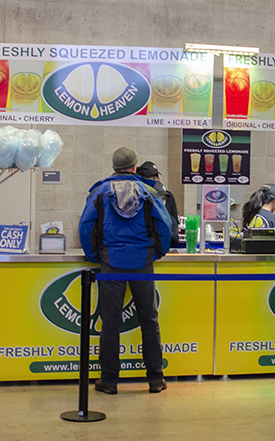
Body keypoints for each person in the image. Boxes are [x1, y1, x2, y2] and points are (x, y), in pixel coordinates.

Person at [79, 147, 172, 394]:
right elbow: (165, 225)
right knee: (149, 321)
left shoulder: (99, 192)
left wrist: (96, 256)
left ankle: (109, 381)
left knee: (110, 323)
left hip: (111, 264)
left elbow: (85, 227)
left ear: (114, 167)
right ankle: (155, 379)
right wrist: (156, 253)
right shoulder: (148, 191)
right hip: (143, 262)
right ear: (134, 166)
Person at [137, 161, 179, 246]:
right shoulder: (137, 197)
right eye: (150, 177)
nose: (154, 179)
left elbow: (174, 227)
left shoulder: (168, 196)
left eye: (156, 176)